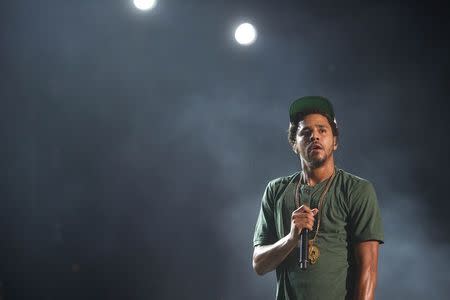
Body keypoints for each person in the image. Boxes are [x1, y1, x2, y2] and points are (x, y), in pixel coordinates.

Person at [252, 96, 384, 300]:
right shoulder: (276, 191)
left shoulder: (357, 189)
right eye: (305, 132)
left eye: (322, 130)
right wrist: (290, 238)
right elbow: (259, 264)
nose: (315, 136)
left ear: (335, 142)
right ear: (294, 145)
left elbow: (369, 270)